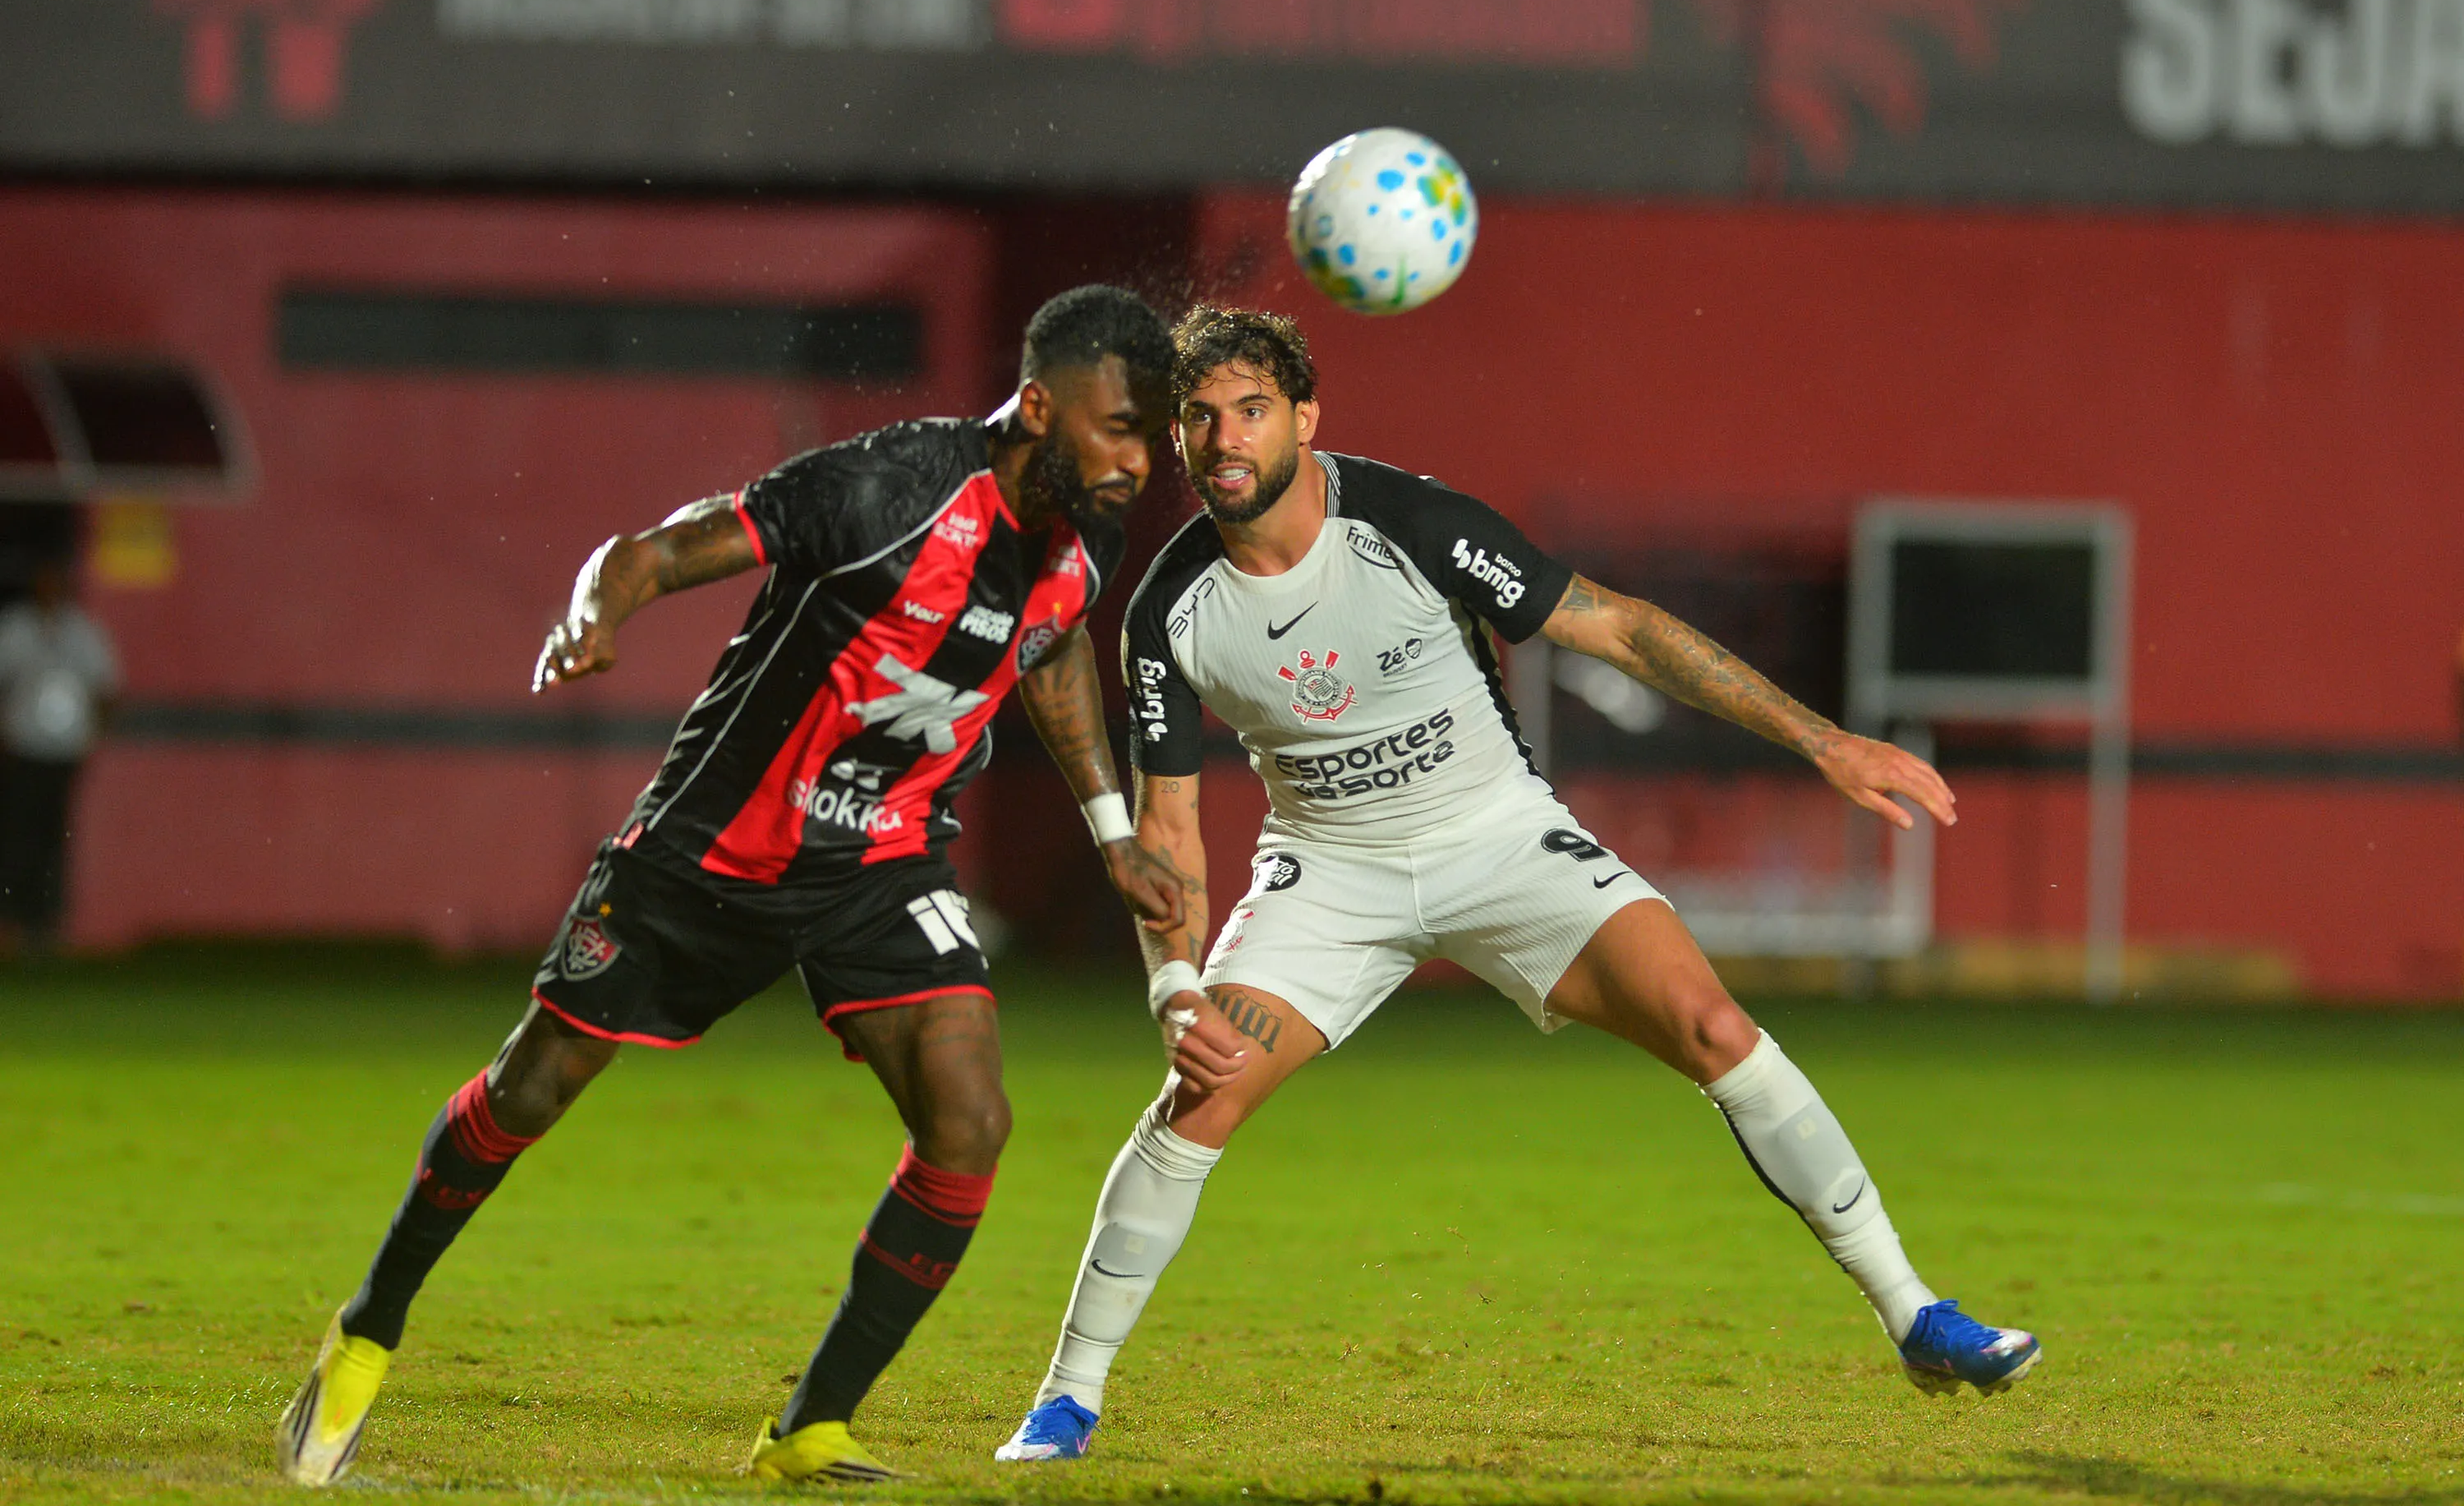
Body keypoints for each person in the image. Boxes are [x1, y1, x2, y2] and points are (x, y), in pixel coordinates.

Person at [995, 306, 2039, 1462]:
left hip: (1497, 840)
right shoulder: (1166, 614)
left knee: (1711, 1022)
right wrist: (1175, 985)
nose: (1225, 438)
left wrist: (1821, 740)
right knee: (1201, 1096)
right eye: (1201, 417)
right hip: (1328, 875)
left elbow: (1626, 633)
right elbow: (1171, 830)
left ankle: (1916, 1315)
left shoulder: (1411, 521)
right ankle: (1067, 1396)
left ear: (1304, 417)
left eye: (1251, 410)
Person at [278, 286, 1187, 1487]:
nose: (1138, 460)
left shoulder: (1087, 533)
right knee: (534, 1085)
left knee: (970, 1119)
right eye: (1119, 427)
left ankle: (810, 1428)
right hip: (709, 856)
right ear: (1035, 406)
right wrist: (593, 613)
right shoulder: (887, 491)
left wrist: (1112, 828)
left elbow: (1054, 641)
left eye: (1149, 432)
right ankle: (369, 1327)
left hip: (878, 860)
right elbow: (656, 548)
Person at [0, 557, 119, 951]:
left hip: (65, 752)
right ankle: (13, 921)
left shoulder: (83, 633)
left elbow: (106, 689)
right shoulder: (16, 629)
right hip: (23, 750)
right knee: (18, 835)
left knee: (56, 837)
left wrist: (92, 737)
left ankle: (48, 924)